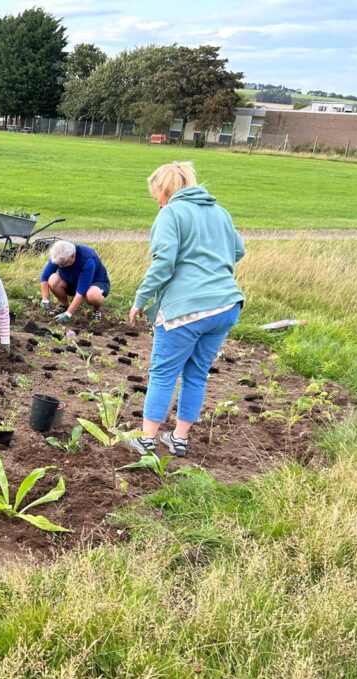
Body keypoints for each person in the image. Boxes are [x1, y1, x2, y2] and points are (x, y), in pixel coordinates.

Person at [127, 161, 245, 458]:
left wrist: (141, 299)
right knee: (197, 374)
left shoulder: (171, 213)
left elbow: (163, 263)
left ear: (164, 190)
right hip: (226, 306)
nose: (157, 201)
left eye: (156, 195)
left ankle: (146, 440)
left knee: (163, 373)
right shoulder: (220, 212)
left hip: (185, 311)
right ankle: (179, 439)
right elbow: (238, 251)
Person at [39, 240, 111, 325]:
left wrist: (68, 314)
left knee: (93, 295)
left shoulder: (87, 260)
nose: (61, 266)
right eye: (60, 265)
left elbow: (81, 291)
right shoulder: (59, 255)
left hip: (94, 283)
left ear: (72, 256)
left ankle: (96, 310)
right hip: (72, 281)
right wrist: (45, 299)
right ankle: (64, 305)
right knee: (53, 280)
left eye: (63, 264)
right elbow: (45, 277)